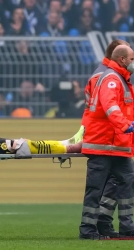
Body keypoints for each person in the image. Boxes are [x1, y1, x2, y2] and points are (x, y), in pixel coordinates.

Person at [79, 45, 134, 240]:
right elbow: (110, 106)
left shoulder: (121, 80)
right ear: (122, 60)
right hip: (103, 144)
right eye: (132, 58)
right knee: (96, 189)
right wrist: (125, 125)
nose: (133, 62)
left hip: (118, 144)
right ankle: (87, 230)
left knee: (127, 184)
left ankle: (127, 228)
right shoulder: (112, 79)